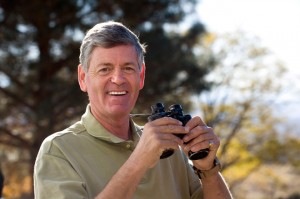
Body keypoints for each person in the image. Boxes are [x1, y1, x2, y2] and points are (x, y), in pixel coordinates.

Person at [34, 21, 233, 199]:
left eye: (128, 68)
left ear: (141, 75)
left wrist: (208, 171)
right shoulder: (58, 151)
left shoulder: (171, 147)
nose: (118, 79)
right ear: (83, 78)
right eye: (105, 69)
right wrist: (139, 160)